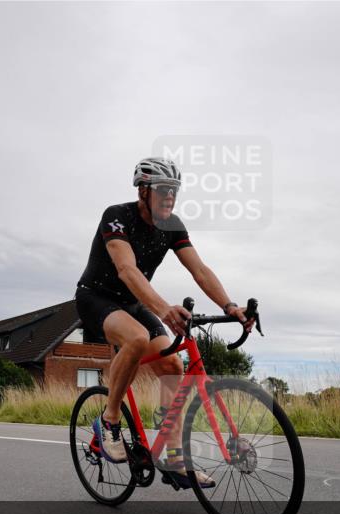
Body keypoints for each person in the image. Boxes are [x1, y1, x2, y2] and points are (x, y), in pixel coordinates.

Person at [75, 157, 253, 488]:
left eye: (174, 190)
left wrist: (229, 305)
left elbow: (199, 270)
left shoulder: (172, 225)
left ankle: (174, 457)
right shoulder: (117, 216)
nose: (170, 197)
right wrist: (163, 309)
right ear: (143, 190)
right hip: (96, 298)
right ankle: (109, 420)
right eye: (162, 190)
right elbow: (127, 270)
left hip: (131, 303)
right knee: (138, 338)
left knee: (173, 364)